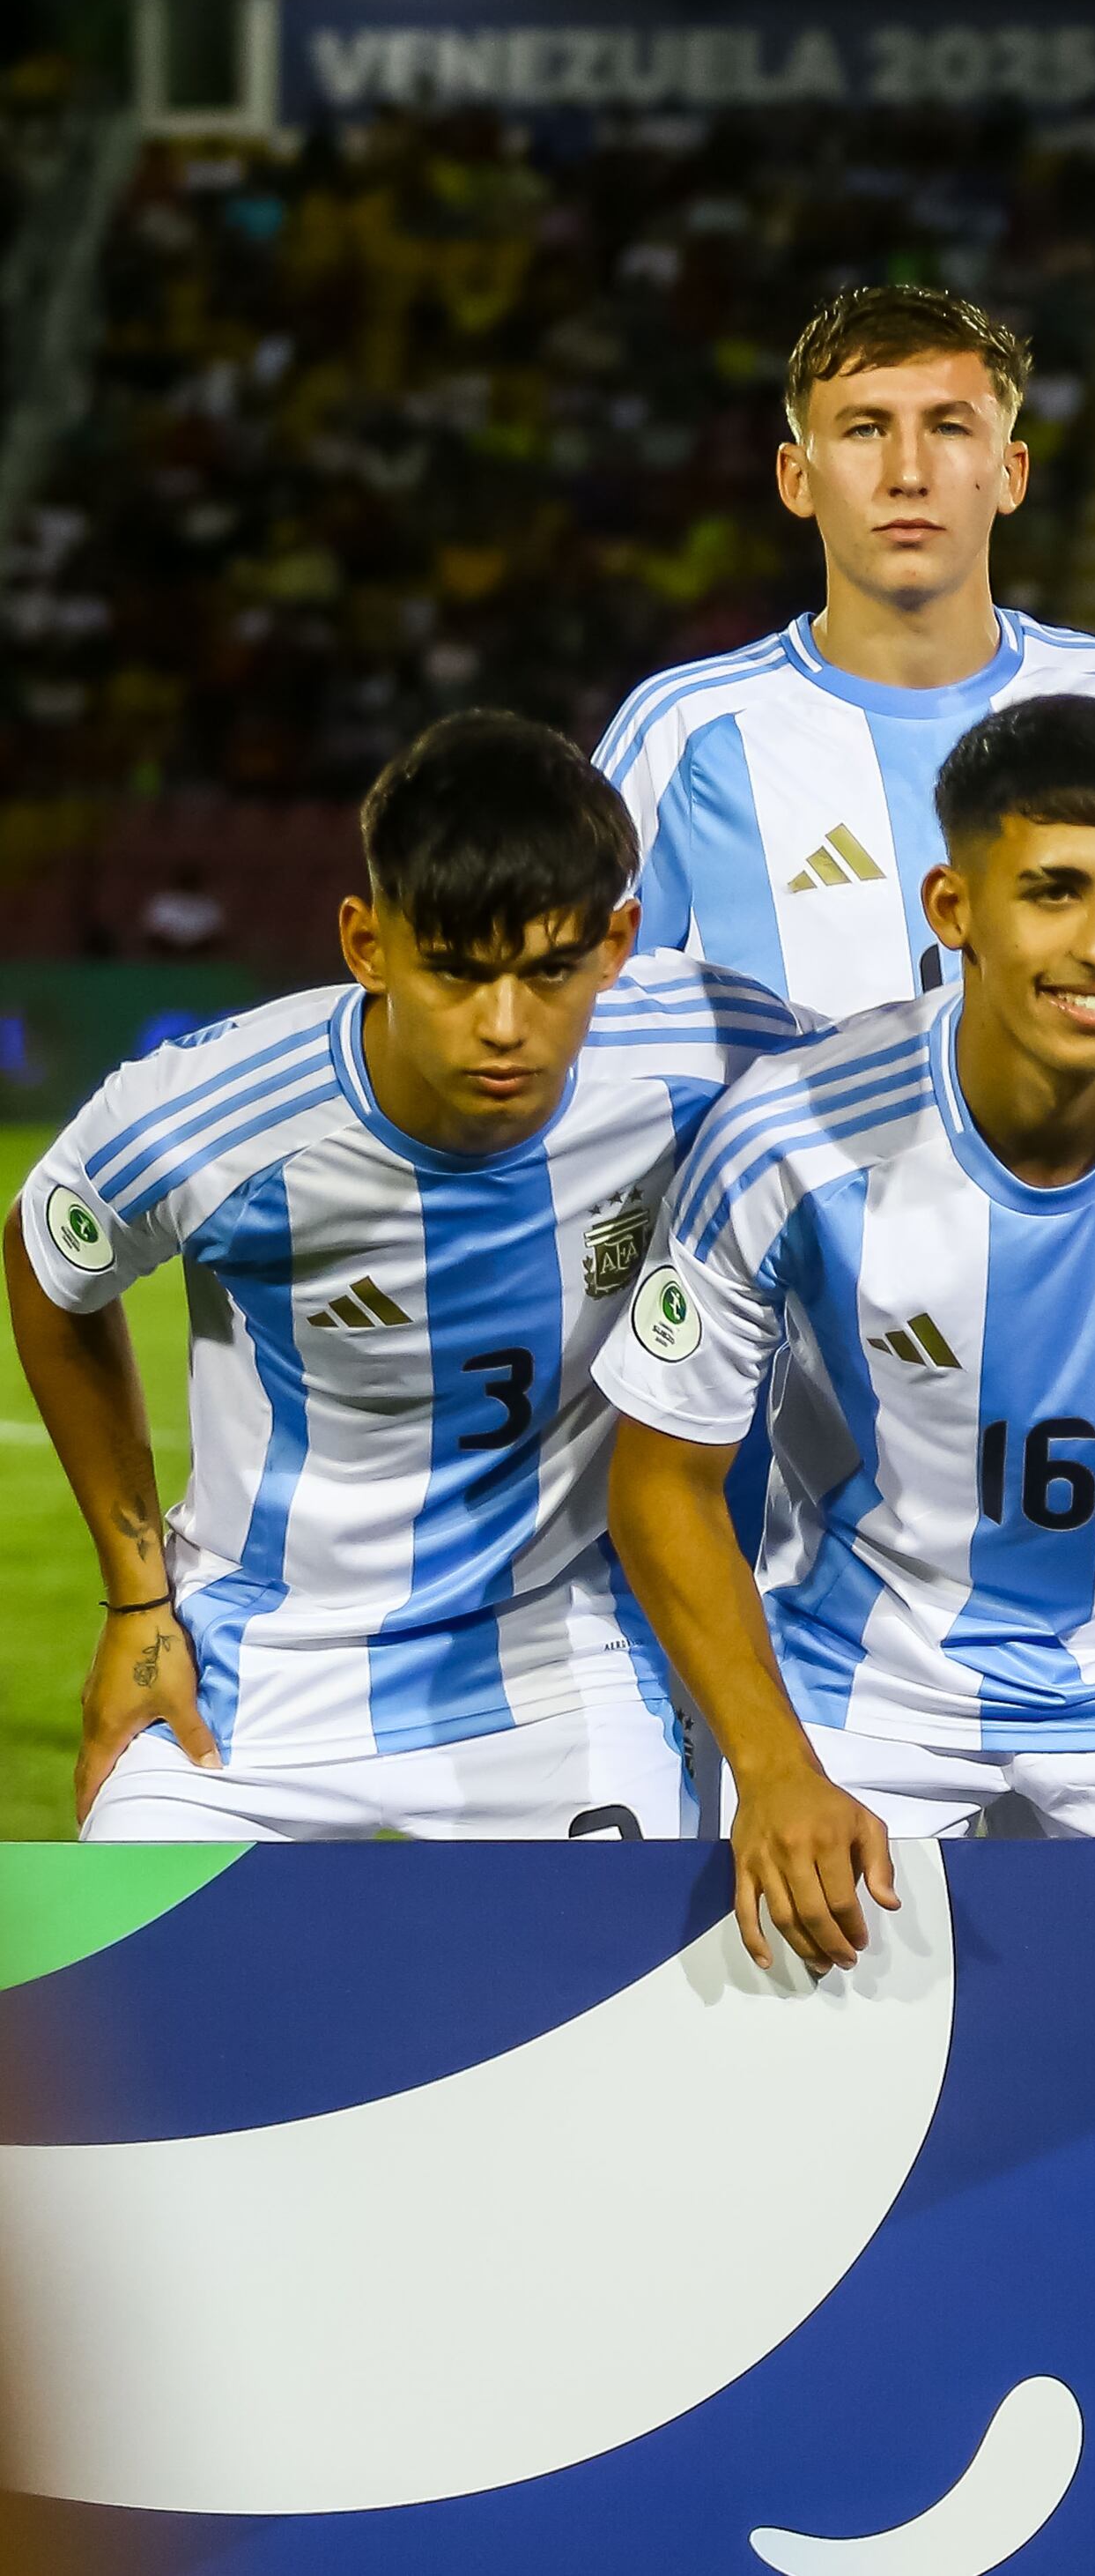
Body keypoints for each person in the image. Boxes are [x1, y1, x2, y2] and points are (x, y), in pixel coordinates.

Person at [599, 698, 1095, 1970]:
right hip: (859, 1698)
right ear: (953, 908)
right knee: (808, 2120)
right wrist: (776, 1768)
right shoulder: (788, 1135)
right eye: (1054, 892)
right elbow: (661, 1480)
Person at [11, 713, 803, 1840]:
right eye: (456, 972)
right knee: (140, 1997)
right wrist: (139, 1595)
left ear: (617, 943)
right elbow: (46, 1264)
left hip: (548, 1659)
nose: (505, 1028)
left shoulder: (713, 1048)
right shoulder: (211, 1117)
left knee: (614, 1997)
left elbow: (892, 1097)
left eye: (549, 972)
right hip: (252, 1665)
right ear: (367, 943)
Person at [594, 283, 1095, 1051]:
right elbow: (567, 1016)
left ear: (1013, 473)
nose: (909, 473)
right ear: (795, 478)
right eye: (864, 429)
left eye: (950, 427)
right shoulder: (686, 733)